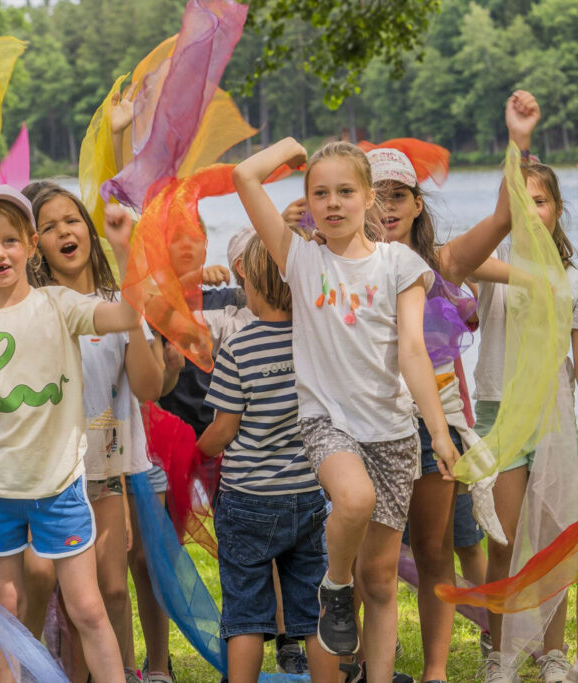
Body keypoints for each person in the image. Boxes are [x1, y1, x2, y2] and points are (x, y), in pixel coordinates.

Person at [232, 138, 458, 683]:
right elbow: (244, 177)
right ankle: (335, 585)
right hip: (327, 423)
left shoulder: (399, 263)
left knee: (380, 580)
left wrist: (440, 432)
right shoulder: (300, 259)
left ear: (369, 200)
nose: (332, 203)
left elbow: (411, 350)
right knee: (354, 499)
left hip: (393, 436)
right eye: (320, 193)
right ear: (308, 201)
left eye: (345, 191)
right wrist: (289, 149)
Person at [0, 185, 142, 683]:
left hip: (59, 485)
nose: (0, 253)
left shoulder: (60, 305)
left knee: (87, 608)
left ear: (31, 245)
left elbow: (127, 315)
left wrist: (125, 252)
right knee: (8, 612)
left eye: (11, 241)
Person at [367, 91, 540, 683]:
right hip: (362, 425)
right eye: (375, 195)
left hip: (432, 424)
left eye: (397, 195)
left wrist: (517, 143)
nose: (386, 207)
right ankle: (370, 662)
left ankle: (437, 670)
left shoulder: (442, 261)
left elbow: (501, 220)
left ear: (417, 204)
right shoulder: (340, 264)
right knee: (375, 559)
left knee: (436, 549)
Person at [22, 183, 163, 682]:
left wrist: (132, 314)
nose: (64, 231)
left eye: (72, 220)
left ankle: (124, 673)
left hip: (106, 467)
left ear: (88, 229)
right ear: (34, 243)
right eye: (49, 226)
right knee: (58, 588)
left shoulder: (115, 303)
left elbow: (147, 387)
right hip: (52, 475)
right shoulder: (34, 309)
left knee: (114, 589)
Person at [196, 234, 338, 683]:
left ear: (253, 284)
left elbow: (225, 429)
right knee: (312, 610)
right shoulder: (318, 343)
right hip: (307, 493)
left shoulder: (238, 348)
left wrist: (195, 452)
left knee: (245, 613)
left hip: (247, 499)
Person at [476, 158, 578, 683]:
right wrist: (528, 272)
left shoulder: (572, 278)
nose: (530, 213)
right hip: (499, 412)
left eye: (539, 202)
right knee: (504, 539)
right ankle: (498, 652)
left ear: (558, 210)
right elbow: (455, 262)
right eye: (518, 204)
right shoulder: (493, 262)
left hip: (554, 417)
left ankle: (554, 652)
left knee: (556, 538)